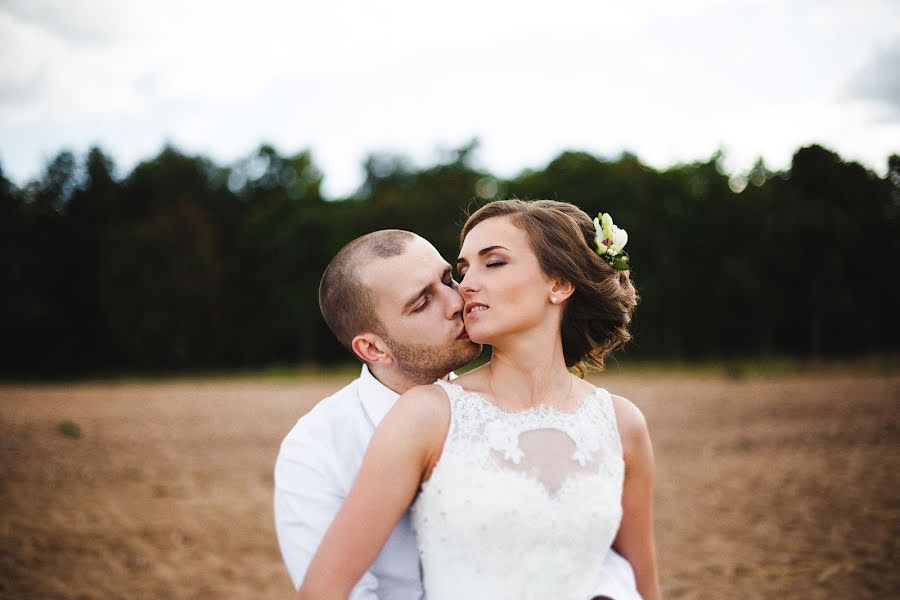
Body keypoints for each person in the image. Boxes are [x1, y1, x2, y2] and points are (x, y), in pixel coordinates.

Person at [294, 201, 659, 600]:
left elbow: (641, 584)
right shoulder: (427, 415)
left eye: (494, 263)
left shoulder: (622, 425)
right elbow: (322, 590)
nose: (463, 286)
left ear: (559, 283)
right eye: (464, 269)